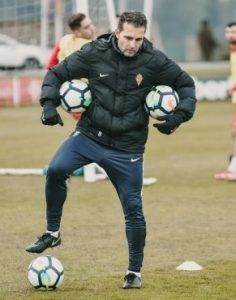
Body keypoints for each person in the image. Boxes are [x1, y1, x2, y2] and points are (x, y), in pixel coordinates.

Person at [25, 11, 196, 288]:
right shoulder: (95, 52)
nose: (133, 44)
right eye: (128, 37)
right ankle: (52, 232)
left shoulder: (154, 60)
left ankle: (134, 272)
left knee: (133, 209)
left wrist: (178, 117)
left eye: (139, 39)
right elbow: (56, 74)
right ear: (117, 32)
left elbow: (186, 85)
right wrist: (48, 105)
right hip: (90, 135)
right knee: (55, 169)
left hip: (127, 147)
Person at [214, 22, 236, 180]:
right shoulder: (232, 50)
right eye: (228, 32)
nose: (230, 35)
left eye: (234, 32)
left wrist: (232, 87)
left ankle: (233, 170)